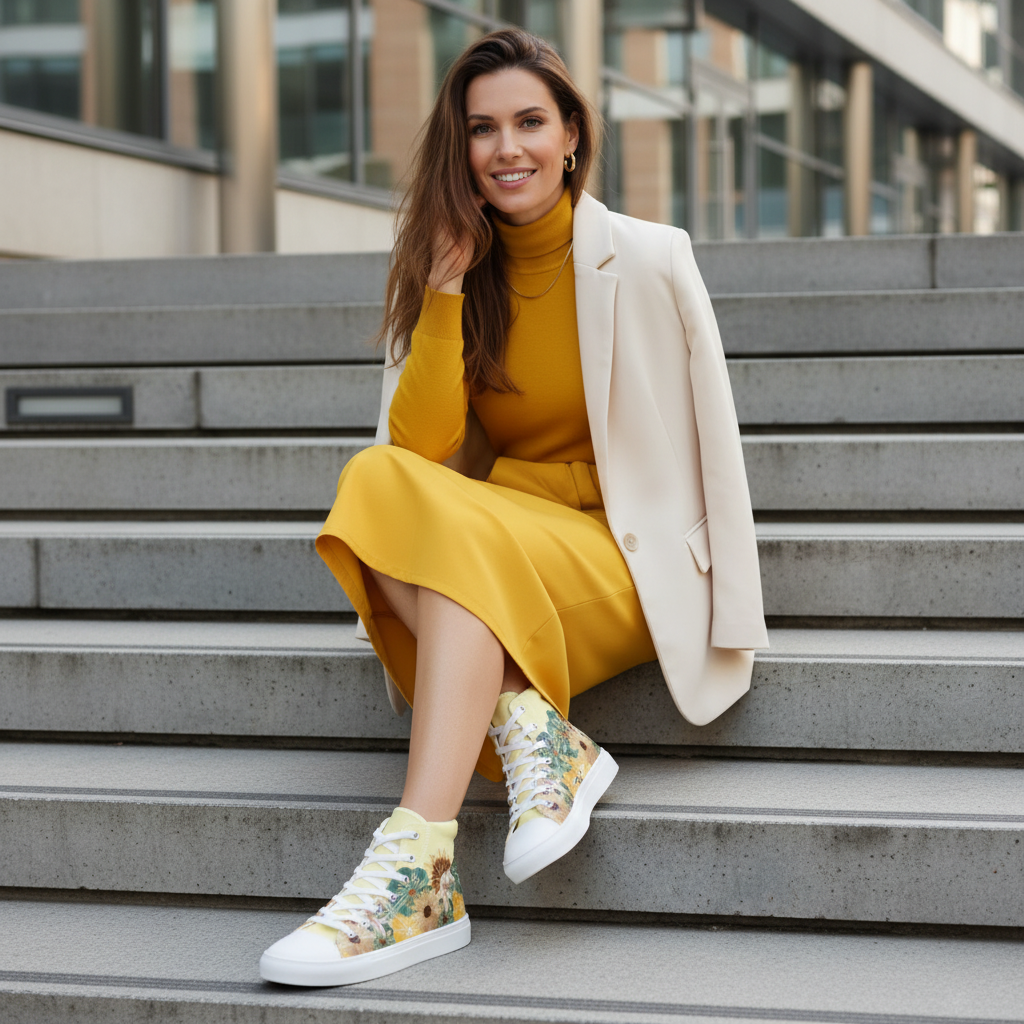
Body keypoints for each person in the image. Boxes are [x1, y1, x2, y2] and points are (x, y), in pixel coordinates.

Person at [260, 27, 767, 988]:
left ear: (572, 133)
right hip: (504, 543)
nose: (507, 149)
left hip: (622, 556)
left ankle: (417, 866)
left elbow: (716, 445)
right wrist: (446, 289)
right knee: (374, 481)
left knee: (429, 536)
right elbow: (416, 460)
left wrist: (730, 614)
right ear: (461, 149)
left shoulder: (653, 258)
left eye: (530, 121)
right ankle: (525, 740)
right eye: (482, 129)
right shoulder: (450, 270)